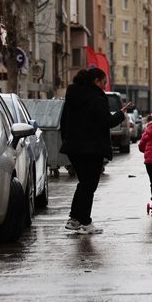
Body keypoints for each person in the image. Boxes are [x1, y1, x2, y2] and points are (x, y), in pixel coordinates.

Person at [60, 67, 131, 234]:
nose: (105, 86)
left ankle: (75, 219)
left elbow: (64, 121)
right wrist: (120, 114)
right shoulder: (97, 98)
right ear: (96, 81)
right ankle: (85, 222)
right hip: (92, 148)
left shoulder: (72, 95)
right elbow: (106, 121)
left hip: (74, 147)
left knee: (84, 183)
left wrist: (68, 140)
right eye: (104, 82)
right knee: (89, 185)